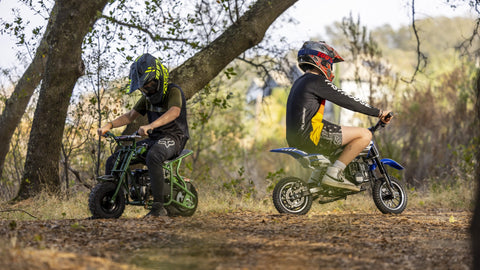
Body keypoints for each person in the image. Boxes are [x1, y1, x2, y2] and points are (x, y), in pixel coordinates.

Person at [286, 41, 391, 192]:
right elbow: (347, 100)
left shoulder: (300, 82)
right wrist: (379, 113)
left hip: (295, 138)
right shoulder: (316, 81)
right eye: (330, 63)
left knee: (336, 138)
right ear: (322, 61)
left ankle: (317, 179)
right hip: (311, 135)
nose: (331, 68)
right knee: (365, 134)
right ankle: (334, 174)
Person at [97, 53, 189, 217]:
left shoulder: (173, 91)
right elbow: (130, 116)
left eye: (149, 84)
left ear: (158, 78)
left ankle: (158, 208)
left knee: (153, 157)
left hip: (174, 138)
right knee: (116, 158)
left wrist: (151, 125)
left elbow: (174, 112)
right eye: (143, 86)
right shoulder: (147, 98)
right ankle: (111, 204)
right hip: (155, 139)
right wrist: (108, 125)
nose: (146, 88)